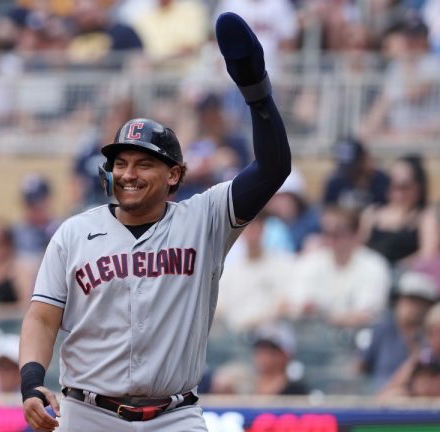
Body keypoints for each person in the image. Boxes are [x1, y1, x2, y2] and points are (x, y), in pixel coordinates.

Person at [19, 12, 291, 432]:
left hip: (175, 416)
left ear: (175, 175)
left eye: (145, 163)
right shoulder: (74, 233)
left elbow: (273, 168)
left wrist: (256, 91)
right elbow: (41, 318)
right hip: (88, 413)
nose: (128, 173)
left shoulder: (206, 219)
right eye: (121, 163)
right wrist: (32, 382)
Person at [288, 205, 391, 328]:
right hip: (313, 334)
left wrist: (325, 314)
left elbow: (366, 313)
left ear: (356, 234)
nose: (331, 240)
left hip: (357, 336)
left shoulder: (375, 265)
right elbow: (297, 304)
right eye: (327, 233)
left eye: (338, 234)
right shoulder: (309, 262)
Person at [360, 271, 440, 391]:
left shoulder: (435, 334)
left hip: (419, 400)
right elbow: (361, 367)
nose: (415, 308)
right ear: (398, 301)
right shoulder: (383, 328)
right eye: (409, 301)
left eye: (421, 303)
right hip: (379, 399)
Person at [359, 155, 435, 266]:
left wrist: (396, 268)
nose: (397, 192)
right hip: (371, 275)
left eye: (403, 186)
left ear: (418, 188)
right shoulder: (371, 213)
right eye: (393, 185)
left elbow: (428, 254)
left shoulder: (425, 216)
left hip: (407, 275)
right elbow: (358, 249)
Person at [322, 137, 390, 213]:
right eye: (345, 167)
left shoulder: (381, 181)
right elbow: (327, 211)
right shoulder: (335, 182)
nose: (348, 171)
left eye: (352, 166)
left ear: (362, 160)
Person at [250, 324, 308, 396]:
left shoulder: (297, 392)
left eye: (271, 351)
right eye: (260, 350)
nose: (263, 356)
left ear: (286, 355)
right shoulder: (245, 387)